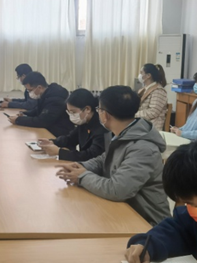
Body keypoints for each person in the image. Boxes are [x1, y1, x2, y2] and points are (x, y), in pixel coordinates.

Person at [55, 86, 170, 225]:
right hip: (123, 211)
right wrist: (79, 166)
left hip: (147, 223)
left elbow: (117, 190)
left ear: (105, 115)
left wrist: (82, 176)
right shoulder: (123, 133)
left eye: (99, 109)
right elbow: (103, 159)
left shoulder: (143, 149)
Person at [37, 88, 107, 162]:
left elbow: (90, 155)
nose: (71, 115)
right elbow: (70, 139)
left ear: (87, 109)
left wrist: (59, 152)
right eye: (69, 112)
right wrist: (53, 142)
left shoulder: (101, 127)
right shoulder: (84, 121)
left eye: (73, 112)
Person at [7, 71, 73, 137]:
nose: (29, 93)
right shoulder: (46, 94)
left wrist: (18, 120)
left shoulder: (55, 99)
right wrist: (25, 114)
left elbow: (42, 121)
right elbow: (38, 110)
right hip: (49, 130)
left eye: (30, 90)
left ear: (39, 87)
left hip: (59, 135)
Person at [135, 63, 169, 131]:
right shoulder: (144, 89)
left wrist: (133, 114)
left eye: (141, 73)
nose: (140, 75)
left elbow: (153, 112)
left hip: (151, 128)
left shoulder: (158, 91)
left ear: (148, 75)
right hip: (142, 124)